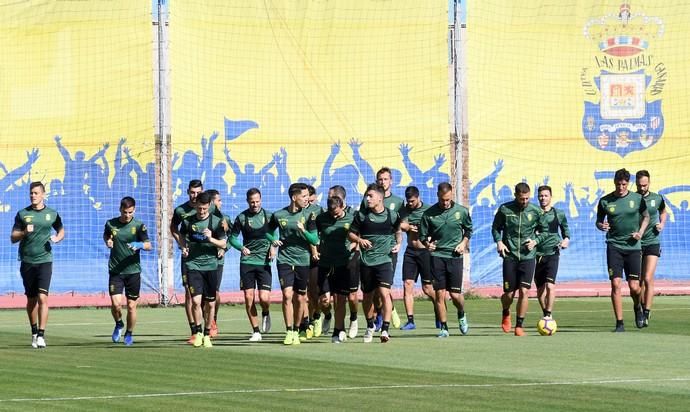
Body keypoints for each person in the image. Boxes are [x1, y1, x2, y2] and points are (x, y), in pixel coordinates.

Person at [11, 181, 65, 349]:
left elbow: (61, 230)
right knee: (31, 300)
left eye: (36, 193)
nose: (33, 196)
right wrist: (24, 232)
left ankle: (41, 335)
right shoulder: (22, 214)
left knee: (43, 297)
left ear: (43, 194)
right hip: (27, 261)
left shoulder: (52, 214)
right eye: (31, 193)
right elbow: (13, 237)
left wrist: (57, 238)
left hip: (45, 261)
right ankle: (34, 332)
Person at [596, 168, 650, 332]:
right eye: (618, 184)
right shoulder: (605, 201)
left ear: (629, 183)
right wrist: (601, 226)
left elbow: (646, 217)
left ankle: (637, 306)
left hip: (633, 247)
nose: (621, 187)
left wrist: (640, 232)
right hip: (614, 246)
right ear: (614, 182)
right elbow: (599, 221)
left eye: (624, 184)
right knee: (616, 283)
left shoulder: (637, 199)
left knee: (634, 287)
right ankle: (619, 323)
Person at [492, 182, 547, 336]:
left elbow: (545, 231)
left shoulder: (536, 211)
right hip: (509, 256)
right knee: (509, 294)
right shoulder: (505, 209)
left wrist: (536, 241)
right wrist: (499, 242)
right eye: (522, 199)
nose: (524, 201)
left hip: (528, 257)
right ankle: (505, 311)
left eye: (527, 198)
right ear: (516, 195)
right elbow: (496, 228)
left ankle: (519, 326)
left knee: (524, 291)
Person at [349, 183, 402, 343]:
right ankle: (370, 325)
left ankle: (385, 329)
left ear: (380, 197)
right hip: (366, 262)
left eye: (371, 196)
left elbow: (398, 230)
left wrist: (398, 243)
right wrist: (360, 240)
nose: (368, 199)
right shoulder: (362, 216)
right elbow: (350, 234)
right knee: (367, 297)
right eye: (367, 196)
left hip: (385, 261)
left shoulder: (392, 216)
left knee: (384, 293)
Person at [268, 183, 319, 345]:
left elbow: (315, 239)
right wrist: (273, 241)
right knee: (287, 295)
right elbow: (268, 232)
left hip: (303, 260)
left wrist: (303, 230)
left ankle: (297, 329)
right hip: (284, 259)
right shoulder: (279, 215)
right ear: (294, 197)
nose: (306, 200)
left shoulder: (309, 215)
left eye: (307, 196)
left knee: (300, 297)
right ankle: (289, 330)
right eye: (303, 197)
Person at [419, 183, 472, 337]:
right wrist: (427, 244)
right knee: (439, 294)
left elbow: (468, 229)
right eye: (443, 200)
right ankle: (443, 328)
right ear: (438, 196)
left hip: (455, 257)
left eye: (448, 199)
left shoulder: (461, 211)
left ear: (452, 195)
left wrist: (463, 243)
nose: (445, 203)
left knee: (455, 295)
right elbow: (422, 236)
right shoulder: (429, 214)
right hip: (437, 257)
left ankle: (461, 313)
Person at [178, 191, 227, 348]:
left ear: (209, 207)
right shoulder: (188, 221)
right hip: (193, 265)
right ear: (196, 205)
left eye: (205, 209)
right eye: (199, 208)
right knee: (196, 301)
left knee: (210, 304)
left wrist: (211, 238)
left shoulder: (216, 222)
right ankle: (198, 333)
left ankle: (207, 333)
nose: (202, 212)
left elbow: (224, 244)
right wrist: (184, 247)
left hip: (211, 266)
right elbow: (181, 236)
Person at [103, 196, 152, 346]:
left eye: (130, 212)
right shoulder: (111, 224)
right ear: (120, 210)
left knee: (131, 306)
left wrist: (139, 245)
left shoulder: (139, 226)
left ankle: (129, 333)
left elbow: (148, 245)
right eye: (125, 212)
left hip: (133, 271)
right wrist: (108, 241)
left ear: (134, 210)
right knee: (116, 304)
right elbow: (106, 235)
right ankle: (119, 323)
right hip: (116, 270)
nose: (127, 215)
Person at [360, 167, 404, 330]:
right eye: (380, 179)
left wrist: (399, 242)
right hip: (370, 252)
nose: (383, 182)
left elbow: (401, 224)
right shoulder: (367, 201)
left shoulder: (398, 202)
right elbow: (362, 221)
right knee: (374, 291)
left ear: (391, 181)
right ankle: (386, 310)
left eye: (385, 179)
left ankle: (384, 314)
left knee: (383, 287)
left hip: (388, 250)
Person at [228, 188, 274, 342]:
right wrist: (241, 247)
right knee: (249, 297)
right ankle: (256, 331)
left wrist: (273, 247)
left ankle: (266, 312)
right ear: (247, 201)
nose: (255, 204)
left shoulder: (269, 216)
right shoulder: (241, 218)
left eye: (257, 201)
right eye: (252, 202)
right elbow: (232, 238)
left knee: (264, 298)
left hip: (264, 262)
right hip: (247, 262)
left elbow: (276, 234)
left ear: (261, 200)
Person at [315, 196, 355, 343]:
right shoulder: (321, 219)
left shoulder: (351, 219)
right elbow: (313, 236)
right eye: (332, 213)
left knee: (340, 300)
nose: (335, 215)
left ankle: (338, 331)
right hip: (325, 263)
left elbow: (357, 238)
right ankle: (327, 315)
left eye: (337, 213)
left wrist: (352, 252)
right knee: (324, 300)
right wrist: (315, 250)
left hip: (343, 264)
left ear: (342, 206)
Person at [170, 179, 204, 343]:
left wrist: (219, 247)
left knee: (210, 295)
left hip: (207, 258)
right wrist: (181, 244)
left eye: (198, 192)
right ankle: (194, 330)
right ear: (187, 192)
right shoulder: (181, 210)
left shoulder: (208, 208)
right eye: (192, 192)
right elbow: (173, 228)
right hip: (189, 258)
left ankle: (210, 326)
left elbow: (221, 226)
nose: (195, 196)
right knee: (190, 294)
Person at [398, 186, 436, 330]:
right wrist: (406, 227)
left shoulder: (428, 210)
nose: (410, 203)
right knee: (407, 284)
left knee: (427, 288)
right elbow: (398, 223)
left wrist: (428, 236)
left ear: (418, 197)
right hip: (410, 252)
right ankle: (410, 321)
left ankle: (439, 310)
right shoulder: (405, 210)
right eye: (408, 201)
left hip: (425, 252)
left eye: (412, 201)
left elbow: (436, 228)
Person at [329, 185, 361, 339]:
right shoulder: (327, 215)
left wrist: (353, 246)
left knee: (353, 297)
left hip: (351, 260)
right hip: (334, 261)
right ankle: (339, 328)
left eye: (332, 197)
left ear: (340, 199)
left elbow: (359, 237)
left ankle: (354, 318)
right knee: (337, 297)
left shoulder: (354, 215)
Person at [635, 170, 667, 327]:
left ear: (649, 183)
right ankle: (639, 309)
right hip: (636, 244)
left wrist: (662, 224)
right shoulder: (632, 199)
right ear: (635, 183)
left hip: (653, 241)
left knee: (648, 278)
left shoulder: (657, 198)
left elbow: (663, 212)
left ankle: (647, 312)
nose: (642, 188)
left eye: (645, 185)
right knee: (638, 281)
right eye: (640, 185)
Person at [535, 185, 570, 319]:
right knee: (540, 290)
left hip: (553, 253)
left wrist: (566, 240)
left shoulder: (558, 213)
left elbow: (566, 230)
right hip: (537, 255)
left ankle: (548, 315)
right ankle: (545, 312)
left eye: (545, 195)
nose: (543, 198)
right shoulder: (534, 213)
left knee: (550, 285)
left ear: (551, 197)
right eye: (541, 196)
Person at [305, 184, 331, 338]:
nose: (309, 200)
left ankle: (326, 315)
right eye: (307, 197)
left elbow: (318, 235)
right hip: (302, 257)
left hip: (318, 258)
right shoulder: (296, 211)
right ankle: (311, 321)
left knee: (321, 295)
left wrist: (316, 250)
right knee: (308, 294)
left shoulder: (319, 212)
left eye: (312, 198)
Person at [207, 189, 232, 337]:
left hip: (217, 261)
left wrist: (225, 249)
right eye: (219, 200)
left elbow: (233, 236)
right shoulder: (199, 217)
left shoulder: (225, 219)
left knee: (214, 292)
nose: (221, 203)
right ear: (211, 202)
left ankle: (213, 320)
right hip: (201, 260)